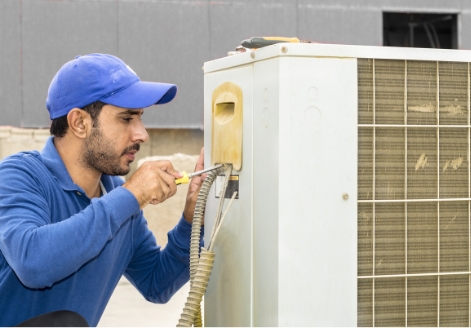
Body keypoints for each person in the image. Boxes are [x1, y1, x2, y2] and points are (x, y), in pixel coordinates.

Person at [0, 53, 204, 326]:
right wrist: (132, 195)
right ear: (80, 123)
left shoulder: (117, 196)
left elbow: (157, 283)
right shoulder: (20, 175)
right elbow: (32, 263)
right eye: (126, 118)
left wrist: (192, 219)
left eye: (140, 118)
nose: (142, 134)